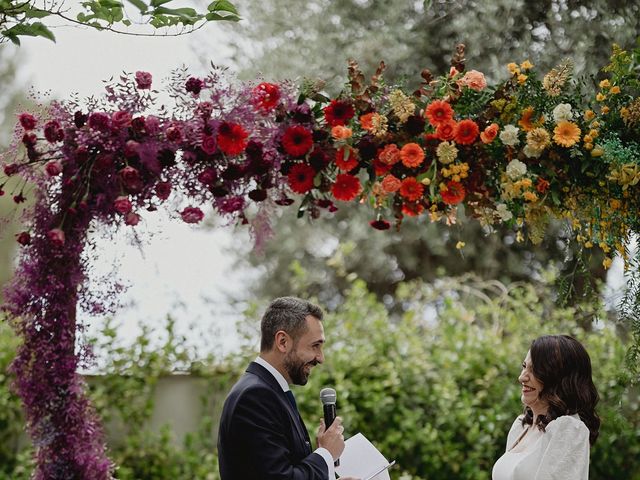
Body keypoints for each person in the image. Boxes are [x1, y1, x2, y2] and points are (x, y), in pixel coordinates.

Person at [217, 296, 358, 480]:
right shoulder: (254, 397)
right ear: (283, 342)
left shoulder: (270, 391)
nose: (320, 358)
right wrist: (326, 454)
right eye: (315, 346)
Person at [492, 334, 601, 480]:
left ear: (559, 378)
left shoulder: (569, 430)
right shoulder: (521, 427)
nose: (522, 377)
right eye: (524, 367)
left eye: (534, 370)